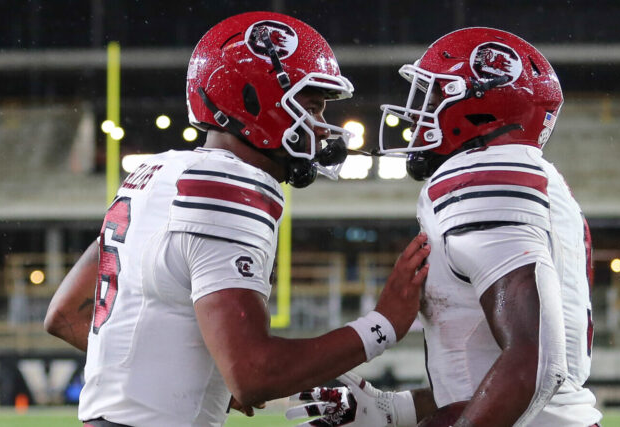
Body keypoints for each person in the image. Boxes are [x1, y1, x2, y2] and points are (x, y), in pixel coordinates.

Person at [44, 11, 430, 427]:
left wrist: (190, 378)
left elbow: (65, 315)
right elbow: (255, 375)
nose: (320, 127)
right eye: (312, 108)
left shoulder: (157, 173)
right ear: (253, 100)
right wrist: (382, 325)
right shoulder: (229, 185)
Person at [286, 27, 602, 426]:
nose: (417, 117)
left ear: (479, 107)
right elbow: (483, 375)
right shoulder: (533, 181)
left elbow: (536, 362)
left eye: (433, 97)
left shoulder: (485, 174)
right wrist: (393, 410)